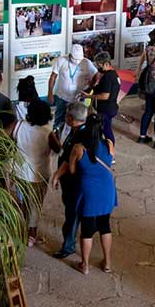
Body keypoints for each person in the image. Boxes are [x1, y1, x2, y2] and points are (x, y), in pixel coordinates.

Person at [59, 114, 117, 275]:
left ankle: (84, 265)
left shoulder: (79, 148)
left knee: (87, 229)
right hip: (107, 190)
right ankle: (107, 263)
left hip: (88, 192)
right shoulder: (109, 144)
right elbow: (111, 161)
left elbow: (71, 170)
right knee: (105, 225)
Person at [13, 100, 58, 247]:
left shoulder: (18, 125)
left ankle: (21, 229)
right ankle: (31, 235)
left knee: (23, 202)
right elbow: (58, 149)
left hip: (20, 172)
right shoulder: (48, 133)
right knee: (35, 205)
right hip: (39, 175)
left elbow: (10, 141)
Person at [51, 102, 88, 260]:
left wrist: (57, 175)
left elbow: (69, 163)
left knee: (72, 215)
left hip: (75, 183)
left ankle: (68, 246)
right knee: (71, 212)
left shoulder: (79, 137)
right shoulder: (77, 131)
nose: (65, 116)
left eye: (66, 114)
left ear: (71, 118)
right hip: (71, 182)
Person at [48, 44, 98, 133]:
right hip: (62, 97)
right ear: (70, 55)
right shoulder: (62, 60)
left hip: (79, 98)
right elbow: (53, 77)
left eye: (79, 59)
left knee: (78, 121)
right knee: (59, 120)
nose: (77, 61)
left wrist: (90, 88)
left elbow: (96, 76)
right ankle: (56, 139)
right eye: (75, 59)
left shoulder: (86, 62)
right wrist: (50, 93)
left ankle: (74, 141)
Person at [83, 51, 120, 144]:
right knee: (104, 129)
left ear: (106, 64)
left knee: (107, 131)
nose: (98, 68)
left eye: (99, 66)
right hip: (111, 107)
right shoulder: (114, 74)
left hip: (106, 109)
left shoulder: (107, 77)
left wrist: (89, 96)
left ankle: (110, 151)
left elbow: (105, 96)